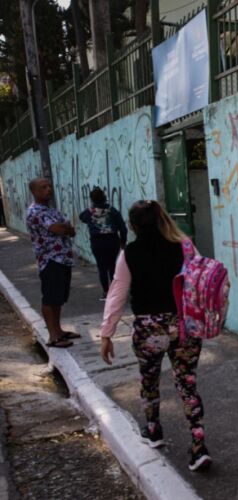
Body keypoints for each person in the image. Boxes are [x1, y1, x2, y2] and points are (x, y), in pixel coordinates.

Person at [98, 200, 211, 472]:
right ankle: (198, 446)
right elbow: (199, 283)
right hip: (182, 326)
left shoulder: (129, 254)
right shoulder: (184, 247)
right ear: (163, 220)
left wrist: (106, 333)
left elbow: (117, 293)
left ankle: (154, 430)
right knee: (187, 383)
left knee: (149, 380)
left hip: (148, 329)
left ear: (133, 225)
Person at [26, 177, 80, 348]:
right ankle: (53, 336)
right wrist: (64, 227)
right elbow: (59, 228)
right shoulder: (36, 212)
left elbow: (71, 231)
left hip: (63, 258)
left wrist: (65, 228)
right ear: (34, 191)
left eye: (49, 186)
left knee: (58, 298)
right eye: (43, 187)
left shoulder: (51, 210)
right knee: (50, 298)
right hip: (50, 260)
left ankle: (59, 330)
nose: (48, 189)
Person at [79, 187, 128, 300]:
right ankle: (115, 292)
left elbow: (82, 217)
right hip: (112, 241)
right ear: (105, 198)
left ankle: (106, 292)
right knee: (112, 266)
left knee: (102, 267)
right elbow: (122, 227)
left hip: (97, 242)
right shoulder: (112, 210)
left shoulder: (90, 212)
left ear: (92, 199)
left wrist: (91, 211)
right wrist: (123, 241)